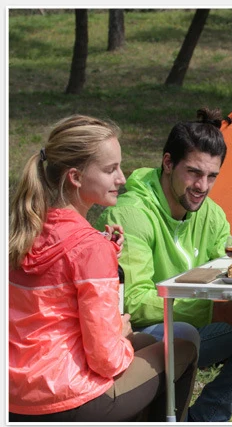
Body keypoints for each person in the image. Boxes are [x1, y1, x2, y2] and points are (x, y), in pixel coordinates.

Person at [95, 108, 232, 422]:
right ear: (168, 163)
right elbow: (134, 306)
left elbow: (228, 276)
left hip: (190, 328)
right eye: (193, 172)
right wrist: (216, 312)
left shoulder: (212, 215)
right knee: (184, 330)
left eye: (212, 176)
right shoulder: (130, 215)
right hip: (137, 340)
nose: (202, 186)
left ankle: (207, 417)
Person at [8, 115, 198, 422]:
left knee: (150, 343)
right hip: (68, 399)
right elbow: (106, 360)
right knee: (182, 347)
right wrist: (120, 335)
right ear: (75, 177)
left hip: (15, 393)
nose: (122, 178)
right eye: (111, 169)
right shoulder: (89, 248)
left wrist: (103, 252)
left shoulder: (23, 231)